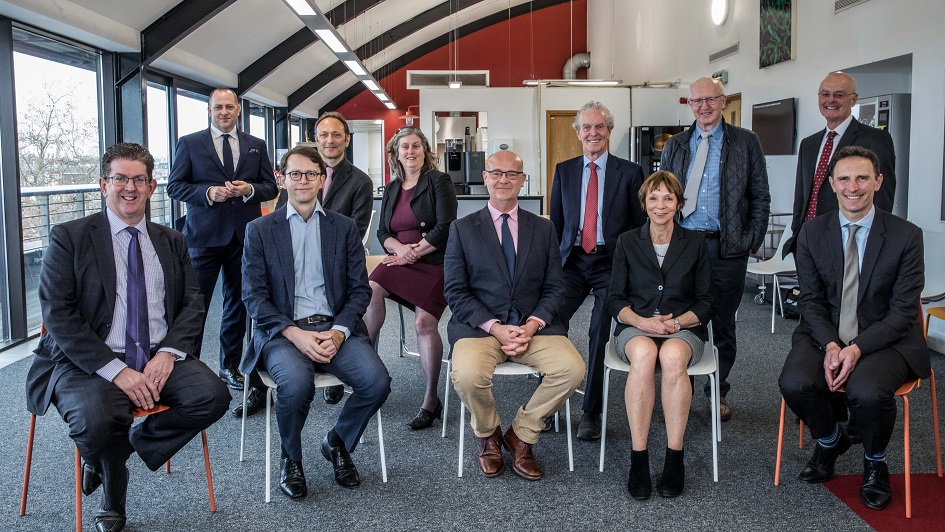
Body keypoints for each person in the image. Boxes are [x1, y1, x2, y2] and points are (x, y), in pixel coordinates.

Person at [25, 143, 231, 532]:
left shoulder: (172, 240)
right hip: (88, 361)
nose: (130, 188)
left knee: (213, 397)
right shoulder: (70, 237)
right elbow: (59, 314)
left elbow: (193, 301)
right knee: (98, 421)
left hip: (156, 357)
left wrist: (169, 353)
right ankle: (113, 497)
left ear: (153, 187)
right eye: (120, 178)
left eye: (139, 179)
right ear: (104, 185)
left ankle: (114, 456)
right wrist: (116, 371)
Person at [779, 146, 927, 510]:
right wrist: (831, 344)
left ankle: (875, 462)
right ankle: (830, 441)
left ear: (878, 181)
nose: (853, 187)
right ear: (831, 184)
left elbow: (903, 312)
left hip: (885, 339)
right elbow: (810, 301)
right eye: (844, 178)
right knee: (795, 382)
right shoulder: (812, 233)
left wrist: (857, 348)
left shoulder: (906, 235)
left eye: (862, 177)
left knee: (867, 390)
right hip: (825, 333)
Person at [240, 146, 391, 500]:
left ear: (323, 180)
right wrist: (294, 334)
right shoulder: (260, 230)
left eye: (311, 174)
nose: (303, 180)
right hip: (283, 332)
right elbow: (254, 297)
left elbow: (358, 290)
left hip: (336, 328)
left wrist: (339, 333)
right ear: (281, 179)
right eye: (295, 174)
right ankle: (291, 458)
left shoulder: (343, 228)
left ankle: (337, 442)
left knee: (377, 381)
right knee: (295, 384)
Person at [445, 150, 585, 480]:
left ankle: (521, 435)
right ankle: (489, 434)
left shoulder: (544, 228)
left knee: (572, 369)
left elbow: (555, 287)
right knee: (465, 375)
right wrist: (494, 327)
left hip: (532, 328)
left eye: (512, 174)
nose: (503, 180)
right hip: (480, 328)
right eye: (496, 173)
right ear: (485, 178)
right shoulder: (462, 229)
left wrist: (534, 324)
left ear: (523, 181)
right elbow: (455, 291)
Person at [660, 77, 770, 421]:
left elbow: (760, 196)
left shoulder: (746, 143)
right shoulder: (676, 145)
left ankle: (718, 390)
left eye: (711, 100)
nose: (704, 107)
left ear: (723, 101)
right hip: (683, 246)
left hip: (726, 247)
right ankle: (682, 387)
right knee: (679, 319)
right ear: (689, 104)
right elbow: (662, 195)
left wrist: (749, 240)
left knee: (721, 323)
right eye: (697, 101)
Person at [606, 171, 713, 500]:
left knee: (671, 356)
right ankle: (639, 458)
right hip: (637, 325)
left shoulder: (696, 243)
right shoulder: (627, 242)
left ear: (679, 203)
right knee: (643, 355)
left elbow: (708, 300)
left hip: (684, 326)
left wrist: (677, 324)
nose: (661, 204)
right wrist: (643, 322)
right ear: (644, 203)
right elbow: (615, 298)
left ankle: (674, 456)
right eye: (654, 197)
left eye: (668, 198)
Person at [166, 87, 278, 392]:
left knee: (237, 304)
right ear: (209, 110)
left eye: (230, 106)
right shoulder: (189, 144)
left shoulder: (256, 145)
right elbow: (174, 186)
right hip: (202, 237)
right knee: (194, 305)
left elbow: (270, 186)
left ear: (238, 109)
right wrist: (206, 193)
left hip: (244, 236)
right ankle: (188, 370)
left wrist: (248, 190)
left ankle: (229, 366)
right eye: (219, 107)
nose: (224, 112)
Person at [550, 101, 646, 441]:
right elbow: (558, 225)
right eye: (586, 127)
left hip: (611, 263)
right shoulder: (564, 171)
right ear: (577, 133)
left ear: (609, 131)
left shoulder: (630, 172)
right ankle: (549, 403)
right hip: (573, 262)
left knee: (597, 332)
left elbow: (639, 228)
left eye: (600, 127)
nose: (593, 133)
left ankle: (591, 410)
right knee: (549, 323)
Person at [363, 126, 457, 430]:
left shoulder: (437, 181)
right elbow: (382, 233)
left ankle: (431, 399)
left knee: (423, 323)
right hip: (398, 258)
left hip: (434, 261)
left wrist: (413, 253)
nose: (411, 151)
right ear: (396, 153)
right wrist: (400, 250)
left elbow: (445, 226)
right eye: (404, 147)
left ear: (425, 150)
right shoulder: (391, 188)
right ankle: (365, 372)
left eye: (416, 146)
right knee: (370, 288)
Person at [783, 71, 896, 258]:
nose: (831, 100)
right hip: (808, 241)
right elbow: (802, 194)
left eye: (839, 95)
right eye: (825, 94)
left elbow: (883, 196)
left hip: (850, 242)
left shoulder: (875, 139)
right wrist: (798, 232)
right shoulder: (809, 144)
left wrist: (873, 242)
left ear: (853, 99)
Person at [313, 111, 376, 407]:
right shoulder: (300, 174)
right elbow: (280, 220)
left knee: (338, 310)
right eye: (324, 134)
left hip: (337, 265)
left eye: (336, 135)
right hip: (299, 262)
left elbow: (356, 230)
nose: (330, 140)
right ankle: (265, 383)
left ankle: (338, 370)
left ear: (347, 140)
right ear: (316, 139)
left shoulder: (360, 181)